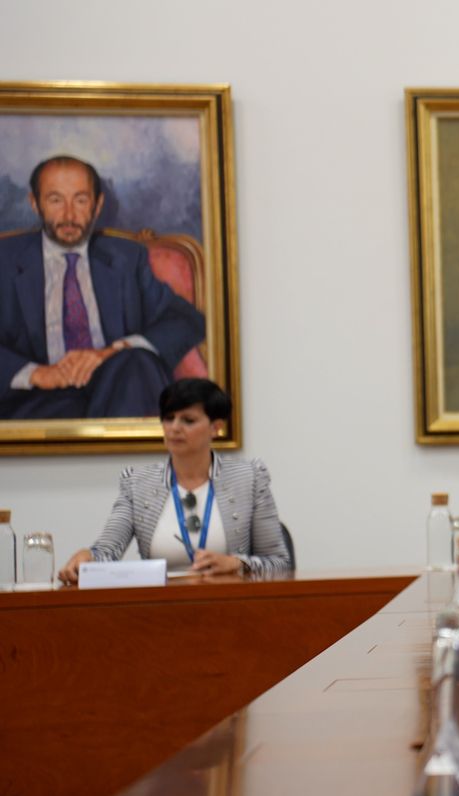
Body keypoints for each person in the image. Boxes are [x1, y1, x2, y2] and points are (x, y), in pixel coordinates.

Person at [0, 155, 207, 420]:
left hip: (121, 388)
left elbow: (185, 320)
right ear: (34, 203)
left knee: (136, 361)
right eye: (55, 200)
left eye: (81, 200)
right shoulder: (5, 261)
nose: (69, 215)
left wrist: (112, 351)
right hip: (38, 401)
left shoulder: (127, 260)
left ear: (97, 206)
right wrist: (36, 373)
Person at [59, 378, 291, 583]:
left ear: (215, 427)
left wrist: (237, 565)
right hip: (159, 612)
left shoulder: (249, 478)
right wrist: (87, 557)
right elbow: (107, 552)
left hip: (232, 609)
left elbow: (280, 564)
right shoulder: (137, 482)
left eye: (188, 420)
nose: (174, 428)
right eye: (169, 419)